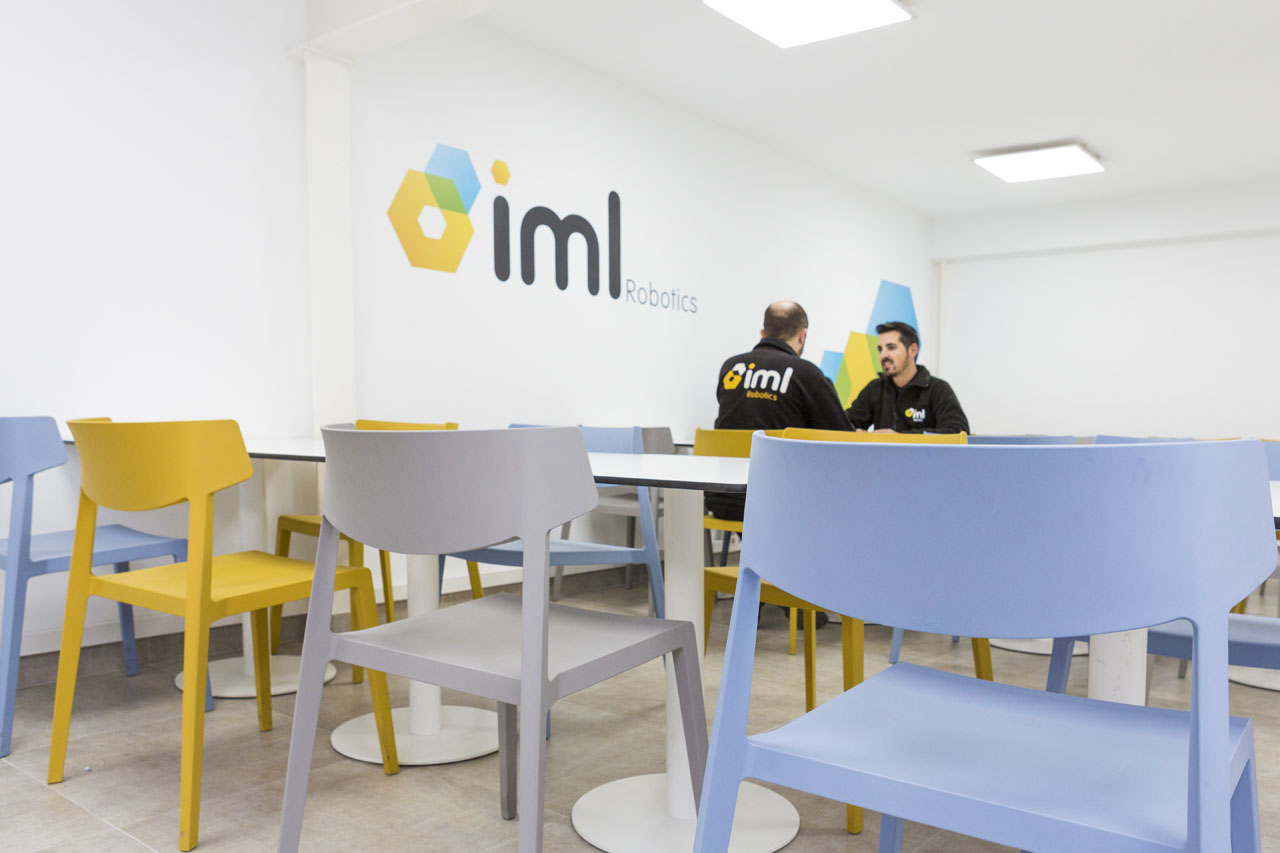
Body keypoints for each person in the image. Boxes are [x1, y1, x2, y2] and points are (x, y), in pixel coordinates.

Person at [711, 301, 850, 631]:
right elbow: (842, 436)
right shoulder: (806, 374)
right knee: (821, 500)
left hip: (724, 498)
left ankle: (758, 591)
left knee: (765, 504)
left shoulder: (730, 368)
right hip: (781, 505)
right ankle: (796, 597)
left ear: (763, 332)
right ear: (802, 335)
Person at [846, 321, 969, 433]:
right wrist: (856, 433)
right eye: (880, 349)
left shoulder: (938, 389)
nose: (883, 355)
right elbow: (846, 424)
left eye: (891, 347)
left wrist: (899, 438)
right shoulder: (875, 388)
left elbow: (957, 431)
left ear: (912, 350)